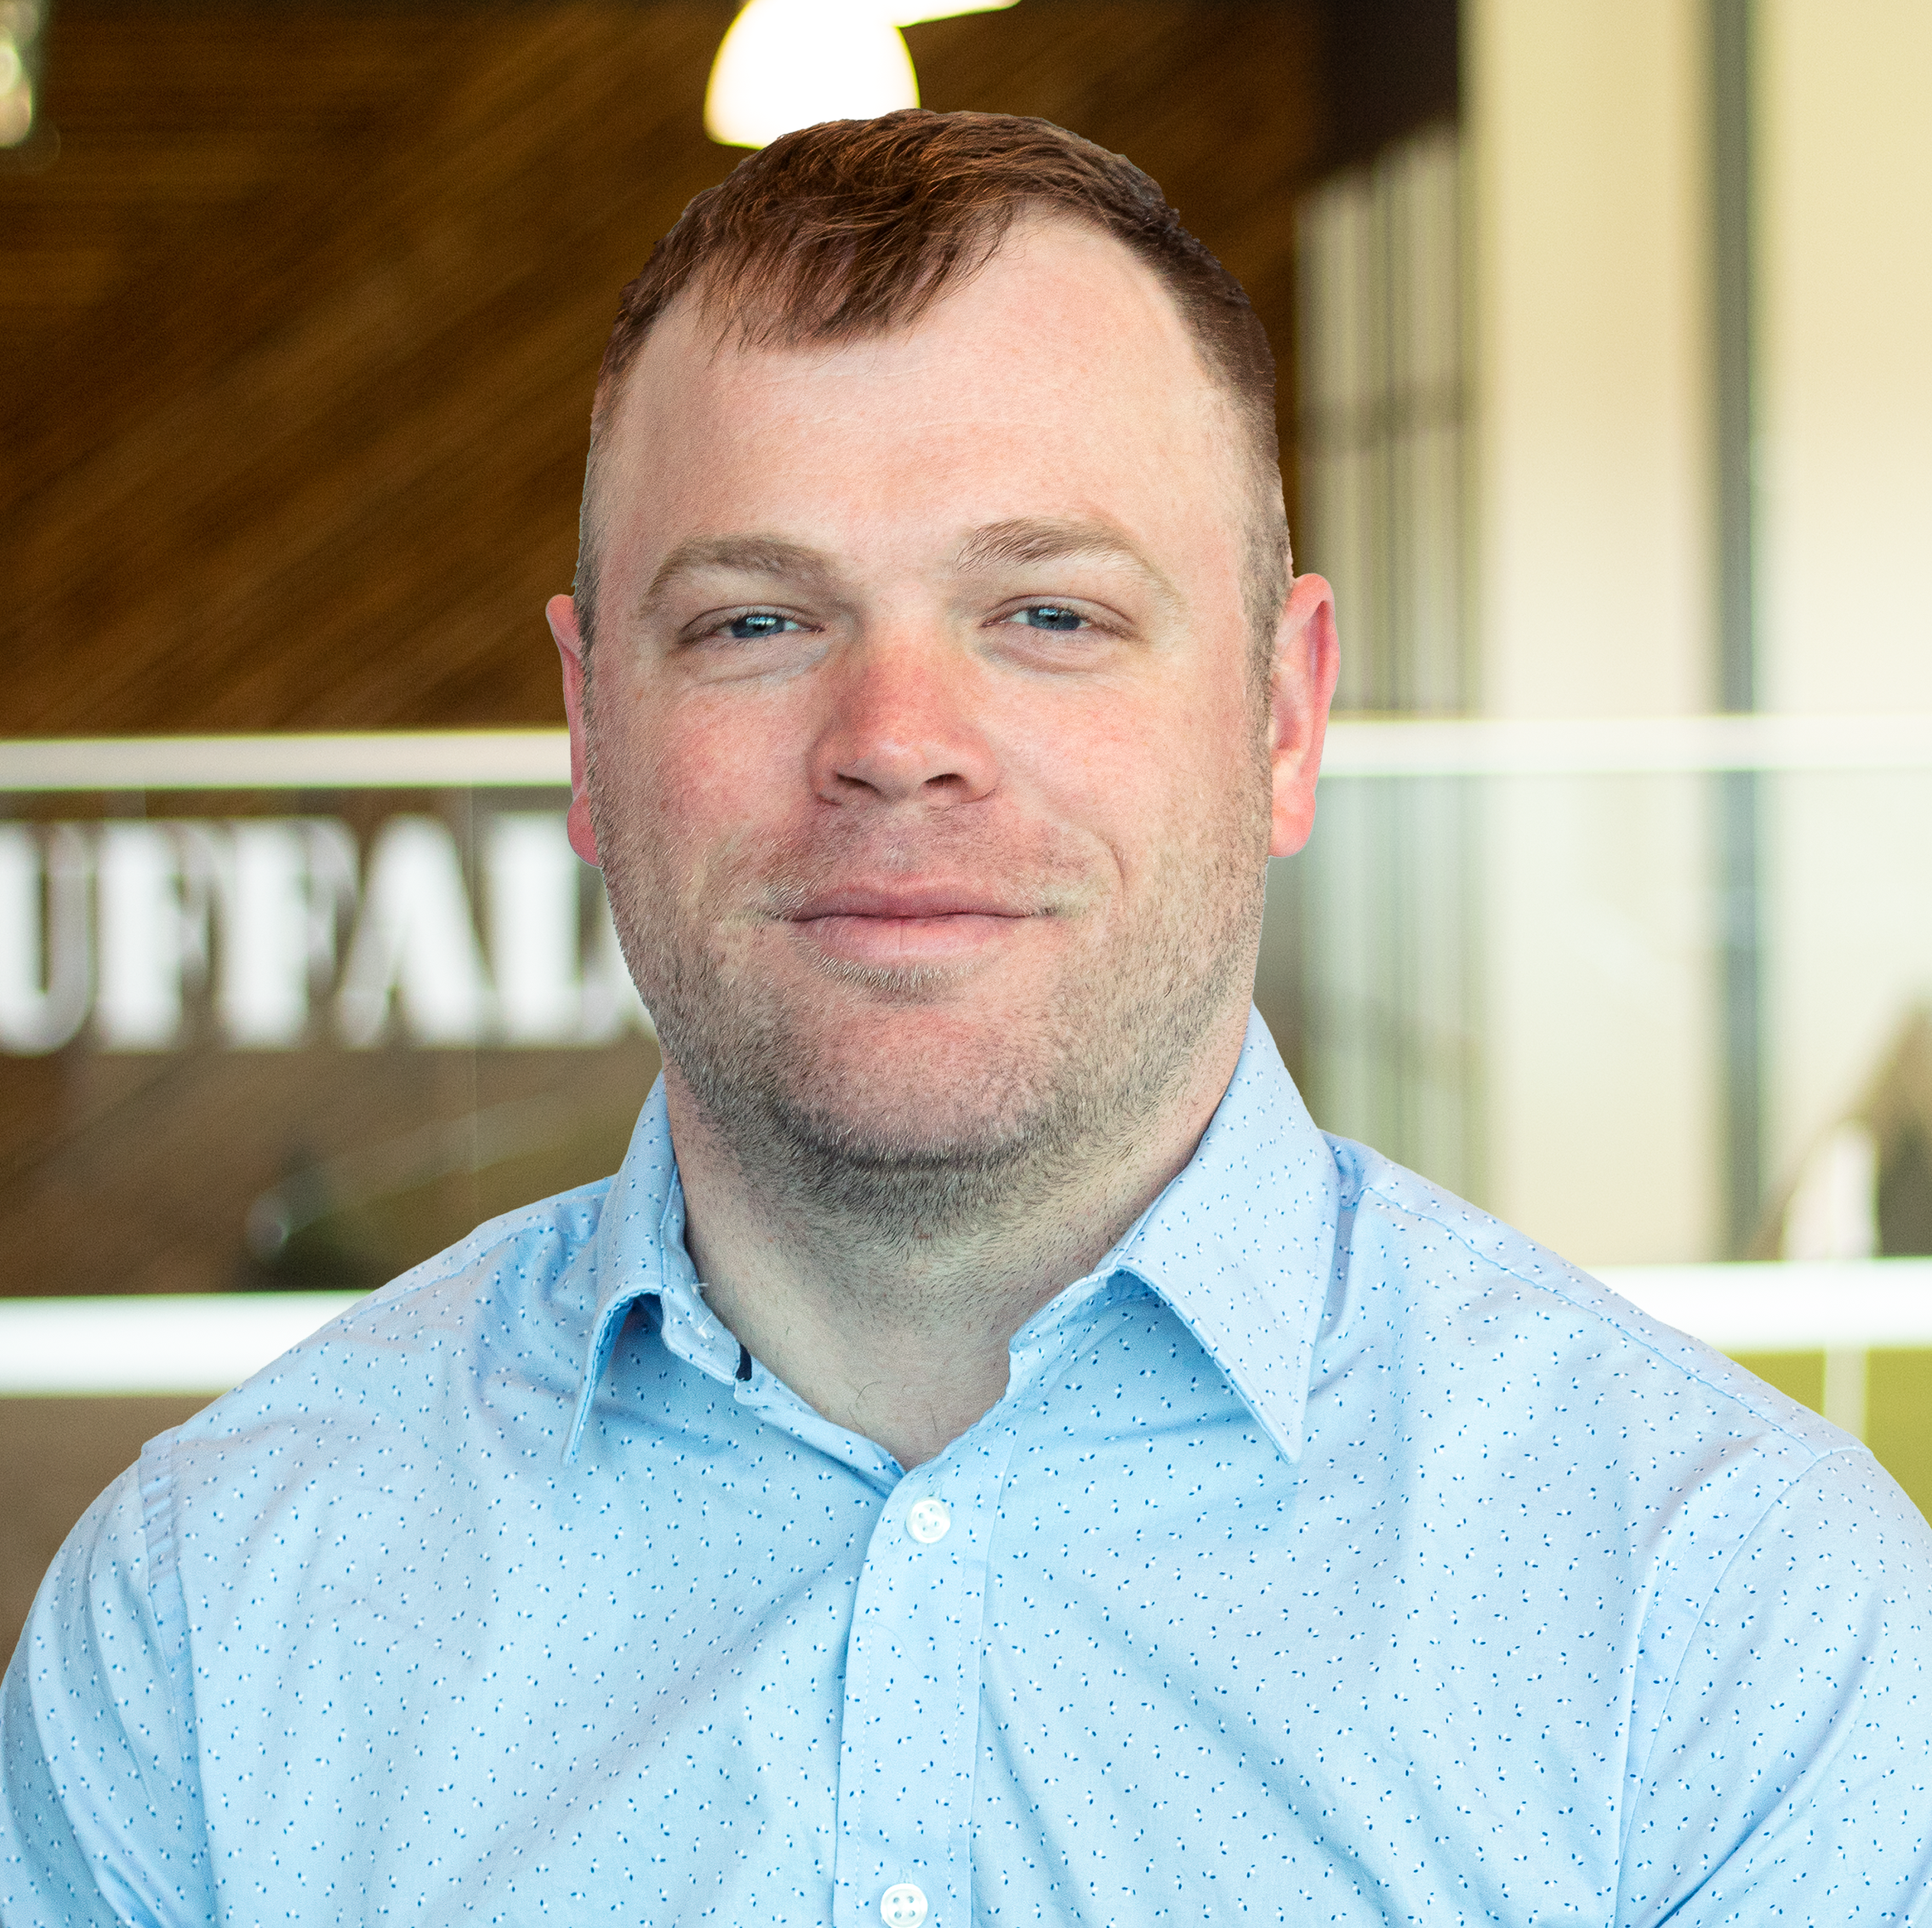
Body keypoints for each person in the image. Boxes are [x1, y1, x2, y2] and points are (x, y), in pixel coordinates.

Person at [4, 111, 1929, 1926]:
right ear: (590, 729)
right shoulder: (207, 1631)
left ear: (1282, 710)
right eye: (756, 621)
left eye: (1049, 615)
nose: (896, 745)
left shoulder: (1732, 1626)